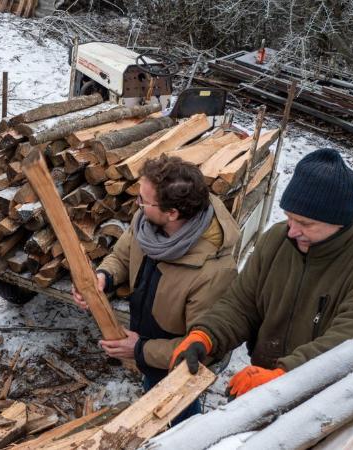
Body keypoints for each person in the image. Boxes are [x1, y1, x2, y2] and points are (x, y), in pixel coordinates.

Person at [172, 148, 353, 398]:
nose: (292, 231)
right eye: (290, 218)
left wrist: (286, 375)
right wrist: (207, 335)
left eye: (306, 224)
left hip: (352, 400)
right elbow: (242, 304)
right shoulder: (278, 240)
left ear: (340, 220)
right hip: (276, 387)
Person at [72, 154, 239, 423]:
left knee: (179, 413)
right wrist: (104, 276)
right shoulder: (147, 223)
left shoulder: (214, 272)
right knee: (153, 391)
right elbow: (122, 255)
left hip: (174, 366)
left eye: (143, 200)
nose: (137, 205)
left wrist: (140, 349)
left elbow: (202, 350)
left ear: (172, 213)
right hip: (149, 348)